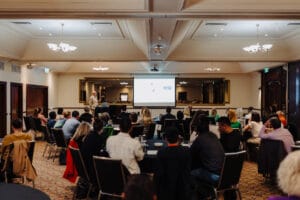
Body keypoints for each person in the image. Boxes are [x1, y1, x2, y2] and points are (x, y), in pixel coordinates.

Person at [154, 127, 191, 200]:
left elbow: (158, 174)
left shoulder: (161, 153)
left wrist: (155, 192)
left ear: (166, 139)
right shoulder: (186, 151)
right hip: (183, 189)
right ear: (178, 138)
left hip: (166, 191)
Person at [190, 115, 224, 192]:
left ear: (197, 128)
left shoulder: (200, 139)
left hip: (214, 176)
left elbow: (190, 154)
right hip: (224, 174)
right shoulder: (214, 136)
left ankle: (201, 194)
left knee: (190, 173)